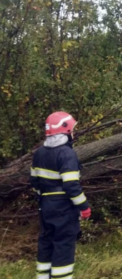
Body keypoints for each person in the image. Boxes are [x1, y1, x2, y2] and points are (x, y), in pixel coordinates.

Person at [30, 112, 91, 279]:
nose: (74, 133)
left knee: (46, 244)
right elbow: (71, 185)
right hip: (64, 208)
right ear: (65, 130)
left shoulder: (39, 153)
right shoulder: (66, 154)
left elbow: (34, 182)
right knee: (63, 246)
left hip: (45, 206)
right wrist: (84, 207)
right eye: (72, 130)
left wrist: (46, 199)